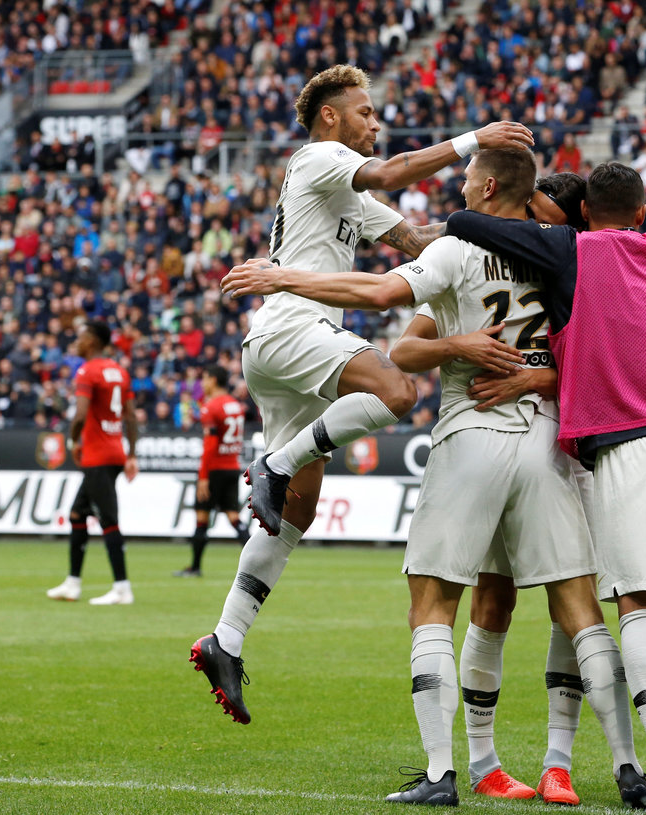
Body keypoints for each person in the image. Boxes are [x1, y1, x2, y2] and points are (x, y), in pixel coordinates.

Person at [221, 149, 646, 809]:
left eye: (469, 176)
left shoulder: (458, 246)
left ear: (488, 184)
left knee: (433, 605)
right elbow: (595, 353)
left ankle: (441, 773)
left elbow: (380, 292)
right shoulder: (568, 255)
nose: (462, 186)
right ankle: (629, 769)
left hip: (471, 431)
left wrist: (283, 278)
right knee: (580, 609)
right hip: (547, 442)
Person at [188, 63, 533, 726]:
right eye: (365, 112)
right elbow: (392, 170)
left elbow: (421, 240)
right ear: (331, 116)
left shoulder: (344, 193)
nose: (375, 122)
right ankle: (274, 463)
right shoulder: (319, 157)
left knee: (297, 512)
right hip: (294, 327)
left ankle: (225, 639)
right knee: (397, 388)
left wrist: (511, 217)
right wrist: (473, 140)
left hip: (285, 346)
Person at [443, 162, 646, 813]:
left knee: (636, 605)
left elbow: (463, 220)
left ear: (585, 214)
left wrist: (532, 205)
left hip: (634, 447)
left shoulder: (574, 250)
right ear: (642, 214)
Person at [394, 172, 617, 806]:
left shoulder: (569, 263)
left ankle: (548, 764)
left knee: (561, 607)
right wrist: (459, 345)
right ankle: (490, 764)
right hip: (536, 447)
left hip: (535, 442)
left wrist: (529, 378)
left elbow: (599, 367)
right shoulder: (542, 262)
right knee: (505, 602)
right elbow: (409, 347)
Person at [46, 320, 139, 605]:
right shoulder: (119, 371)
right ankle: (72, 584)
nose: (77, 341)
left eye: (82, 336)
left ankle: (122, 588)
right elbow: (131, 416)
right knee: (77, 514)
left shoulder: (87, 371)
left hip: (97, 455)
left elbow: (79, 415)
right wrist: (131, 454)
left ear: (94, 341)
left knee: (108, 520)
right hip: (115, 451)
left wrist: (73, 442)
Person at [174, 365, 248, 578]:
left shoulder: (211, 407)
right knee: (234, 517)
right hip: (232, 466)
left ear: (213, 380)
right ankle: (259, 562)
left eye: (205, 379)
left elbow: (210, 446)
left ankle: (195, 567)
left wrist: (203, 477)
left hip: (214, 469)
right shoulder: (235, 405)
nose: (202, 383)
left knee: (201, 519)